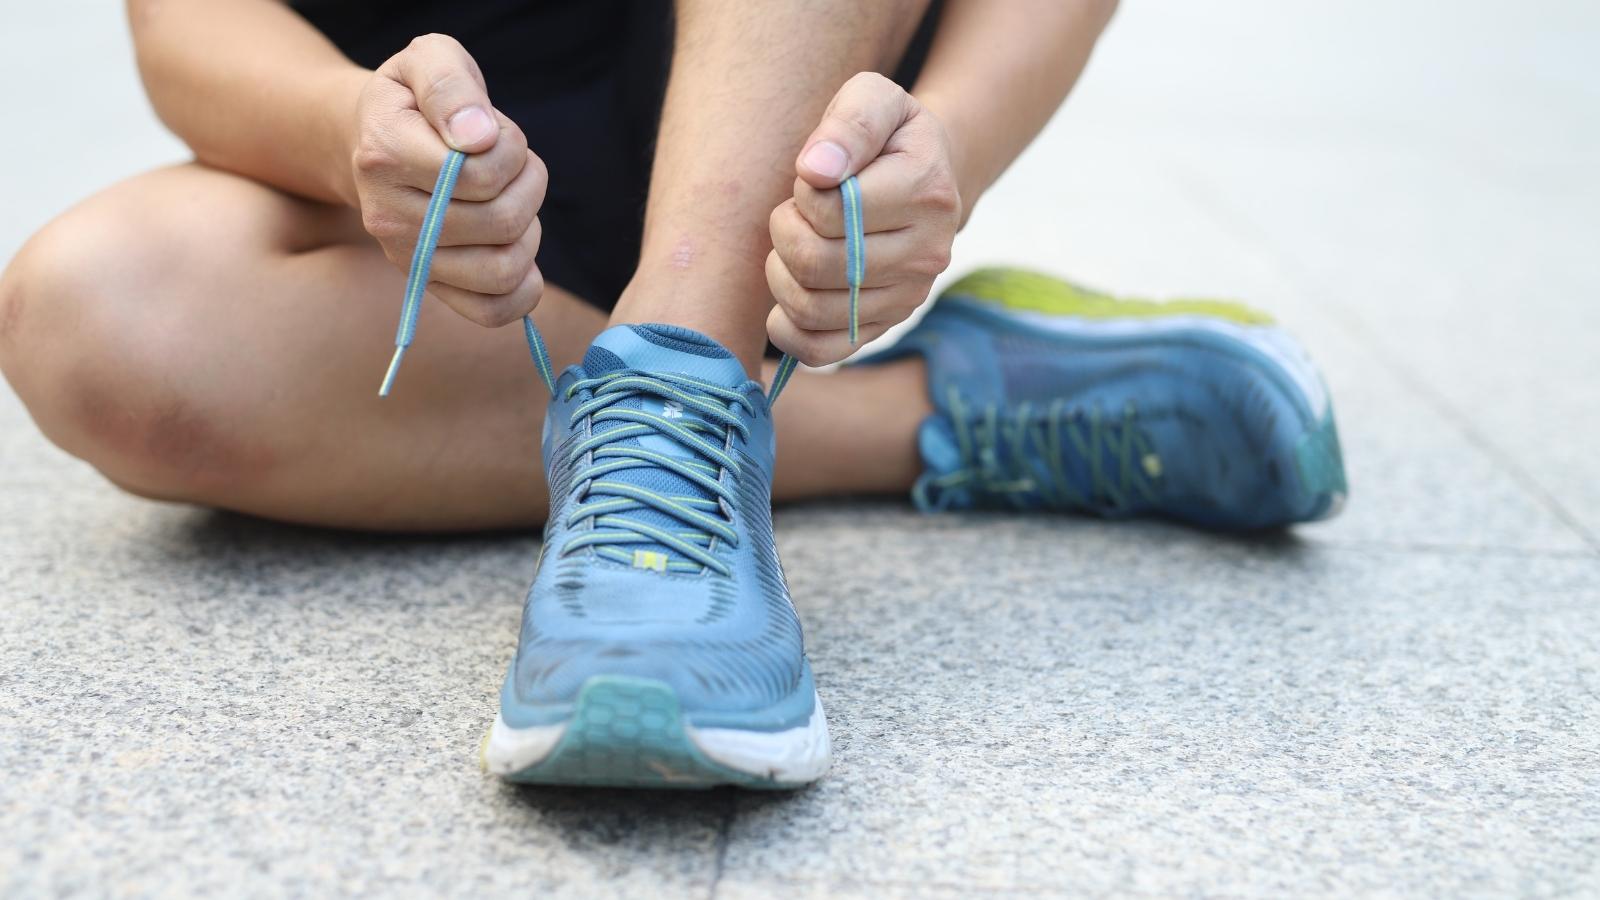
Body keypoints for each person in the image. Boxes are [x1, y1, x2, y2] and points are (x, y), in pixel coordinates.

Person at [0, 0, 1346, 788]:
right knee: (98, 320)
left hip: (776, 139)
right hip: (455, 233)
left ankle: (686, 363)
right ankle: (918, 411)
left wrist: (957, 150)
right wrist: (352, 127)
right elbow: (183, 26)